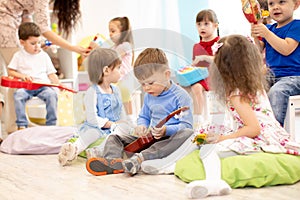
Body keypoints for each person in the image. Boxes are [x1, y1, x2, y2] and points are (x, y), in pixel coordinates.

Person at [185, 35, 300, 199]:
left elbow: (253, 128)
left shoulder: (237, 94)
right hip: (268, 134)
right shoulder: (251, 86)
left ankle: (214, 181)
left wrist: (223, 138)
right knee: (203, 136)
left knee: (207, 149)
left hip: (260, 139)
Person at [85, 48, 193, 176]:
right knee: (115, 137)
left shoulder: (181, 96)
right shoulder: (149, 95)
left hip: (169, 139)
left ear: (167, 75)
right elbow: (144, 116)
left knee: (188, 133)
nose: (146, 88)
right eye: (142, 84)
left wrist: (166, 130)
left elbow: (186, 125)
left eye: (151, 83)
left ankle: (140, 159)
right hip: (150, 138)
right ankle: (112, 162)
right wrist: (142, 126)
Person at [0, 0, 89, 133]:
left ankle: (38, 124)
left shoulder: (42, 55)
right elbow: (44, 29)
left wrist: (33, 43)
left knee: (47, 94)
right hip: (5, 24)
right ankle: (16, 126)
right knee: (17, 87)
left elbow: (27, 18)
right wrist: (73, 48)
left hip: (12, 21)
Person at [58, 47, 133, 166]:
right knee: (92, 134)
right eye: (118, 68)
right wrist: (110, 124)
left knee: (121, 133)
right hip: (97, 126)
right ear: (106, 70)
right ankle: (74, 149)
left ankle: (97, 152)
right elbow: (92, 118)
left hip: (114, 127)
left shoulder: (116, 90)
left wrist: (126, 124)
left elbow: (122, 114)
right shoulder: (92, 92)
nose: (121, 71)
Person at [251, 0, 300, 127]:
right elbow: (258, 52)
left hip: (294, 77)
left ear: (296, 5)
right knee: (250, 87)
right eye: (271, 4)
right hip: (272, 75)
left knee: (277, 92)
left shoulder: (297, 26)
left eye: (282, 2)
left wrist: (266, 34)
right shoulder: (269, 28)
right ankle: (253, 126)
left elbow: (286, 49)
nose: (276, 7)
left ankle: (274, 131)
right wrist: (256, 37)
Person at [7, 22, 61, 130]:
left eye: (39, 42)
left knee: (51, 95)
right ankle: (22, 125)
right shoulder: (18, 56)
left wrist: (58, 84)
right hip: (26, 87)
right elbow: (10, 71)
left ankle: (51, 125)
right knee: (18, 95)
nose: (37, 46)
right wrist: (22, 76)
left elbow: (51, 74)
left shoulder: (44, 56)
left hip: (43, 87)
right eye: (33, 43)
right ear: (22, 42)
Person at [89, 17, 136, 124]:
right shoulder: (115, 46)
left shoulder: (125, 46)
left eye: (113, 31)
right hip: (117, 79)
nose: (110, 34)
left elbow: (112, 57)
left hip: (125, 78)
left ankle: (130, 119)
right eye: (109, 31)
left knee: (125, 96)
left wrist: (98, 49)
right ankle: (117, 119)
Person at [187, 9, 220, 129]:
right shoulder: (196, 46)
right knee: (183, 86)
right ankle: (190, 119)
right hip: (200, 77)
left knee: (196, 86)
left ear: (215, 25)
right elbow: (195, 65)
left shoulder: (219, 42)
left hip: (215, 77)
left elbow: (220, 61)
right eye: (199, 24)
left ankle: (198, 119)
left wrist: (205, 57)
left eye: (206, 24)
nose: (202, 27)